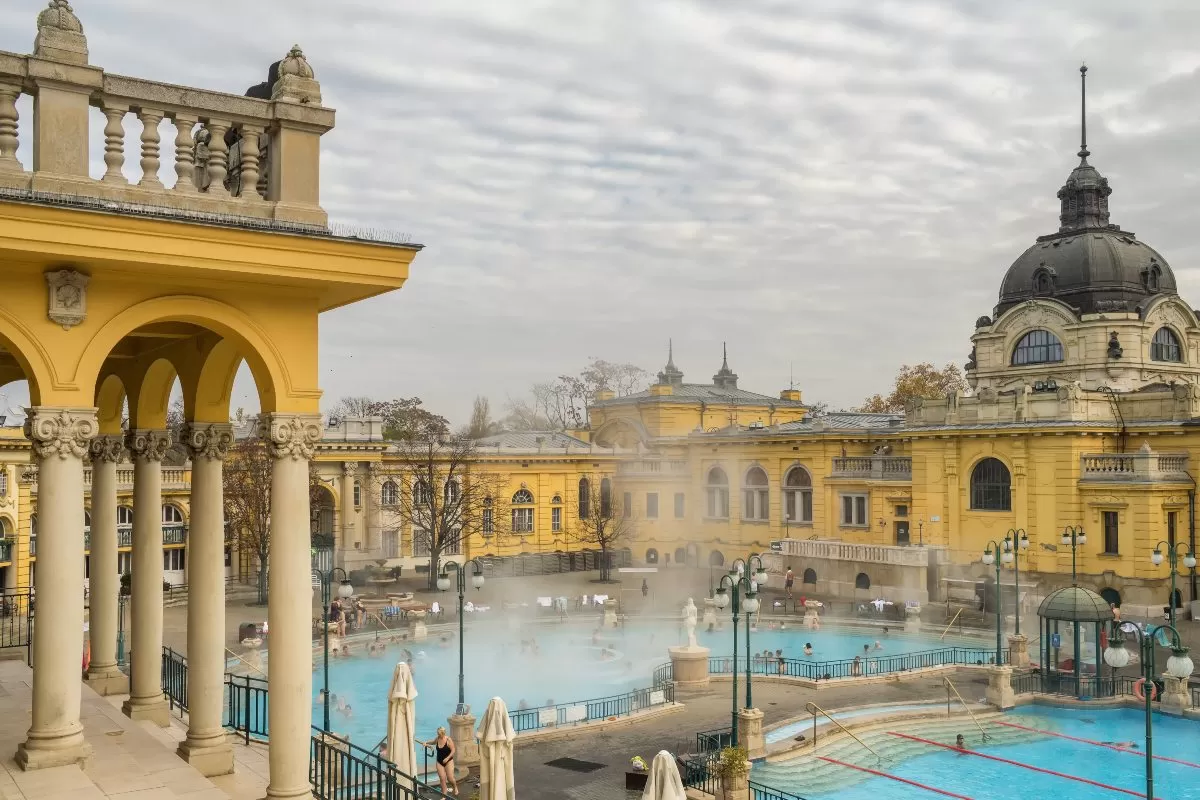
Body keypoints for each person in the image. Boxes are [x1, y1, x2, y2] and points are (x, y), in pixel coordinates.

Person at [425, 727, 459, 795]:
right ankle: (444, 794)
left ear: (443, 733)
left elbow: (453, 750)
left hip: (448, 761)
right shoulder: (437, 738)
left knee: (450, 778)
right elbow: (433, 742)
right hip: (439, 761)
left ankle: (455, 787)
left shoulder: (448, 740)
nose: (438, 735)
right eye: (438, 734)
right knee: (442, 779)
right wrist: (426, 742)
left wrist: (447, 758)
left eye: (439, 734)